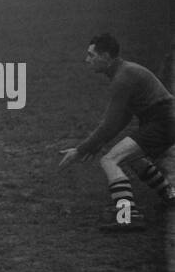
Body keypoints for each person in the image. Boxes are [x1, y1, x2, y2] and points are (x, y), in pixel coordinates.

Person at [58, 33, 175, 232]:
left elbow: (109, 125)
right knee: (134, 158)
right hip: (164, 121)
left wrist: (80, 150)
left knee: (110, 160)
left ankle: (126, 217)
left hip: (163, 123)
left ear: (105, 56)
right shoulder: (125, 72)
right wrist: (94, 146)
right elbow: (124, 118)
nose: (87, 60)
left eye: (91, 55)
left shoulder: (122, 78)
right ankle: (169, 195)